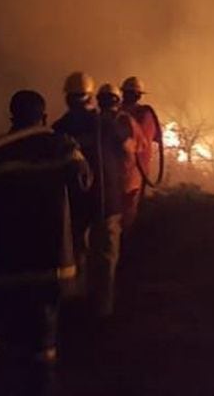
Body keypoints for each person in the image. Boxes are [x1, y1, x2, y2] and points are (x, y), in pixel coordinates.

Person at [0, 89, 90, 396]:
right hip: (48, 261)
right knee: (42, 333)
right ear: (44, 116)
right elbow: (84, 182)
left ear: (13, 116)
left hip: (3, 260)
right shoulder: (61, 146)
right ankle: (41, 386)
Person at [89, 83, 147, 317]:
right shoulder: (122, 122)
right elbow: (138, 147)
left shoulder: (99, 122)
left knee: (101, 246)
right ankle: (104, 304)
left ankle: (96, 298)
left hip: (111, 189)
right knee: (111, 245)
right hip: (121, 189)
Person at [52, 72, 102, 300]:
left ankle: (76, 293)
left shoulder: (59, 127)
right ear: (90, 95)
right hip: (99, 194)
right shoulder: (102, 122)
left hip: (70, 196)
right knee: (97, 247)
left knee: (75, 242)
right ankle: (91, 297)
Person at [119, 76, 162, 229]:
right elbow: (155, 137)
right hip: (138, 173)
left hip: (118, 172)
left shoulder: (116, 114)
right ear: (139, 95)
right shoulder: (146, 114)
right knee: (130, 214)